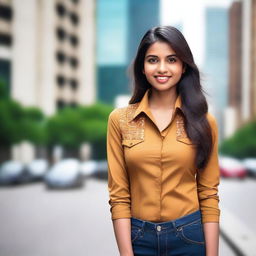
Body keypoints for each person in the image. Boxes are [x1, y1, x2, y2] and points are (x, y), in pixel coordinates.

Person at [106, 26, 220, 256]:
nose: (161, 68)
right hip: (138, 238)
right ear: (142, 66)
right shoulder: (120, 120)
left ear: (183, 65)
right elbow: (119, 196)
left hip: (189, 237)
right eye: (152, 60)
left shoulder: (203, 122)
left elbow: (208, 194)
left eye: (171, 60)